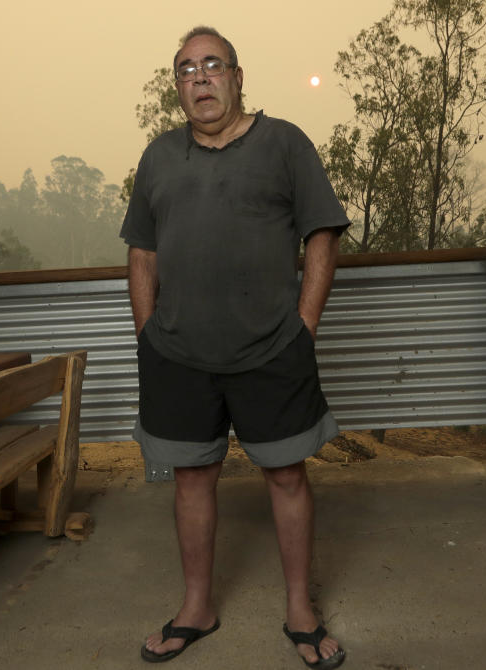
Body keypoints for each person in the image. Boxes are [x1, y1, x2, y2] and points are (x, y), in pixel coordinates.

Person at [120, 25, 349, 669]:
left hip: (273, 350)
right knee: (191, 477)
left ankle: (300, 607)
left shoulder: (284, 144)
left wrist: (303, 328)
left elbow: (323, 236)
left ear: (238, 76)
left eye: (212, 64)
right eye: (186, 69)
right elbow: (142, 250)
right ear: (178, 86)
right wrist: (147, 336)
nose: (200, 77)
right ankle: (198, 605)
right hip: (178, 356)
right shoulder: (159, 157)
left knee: (285, 473)